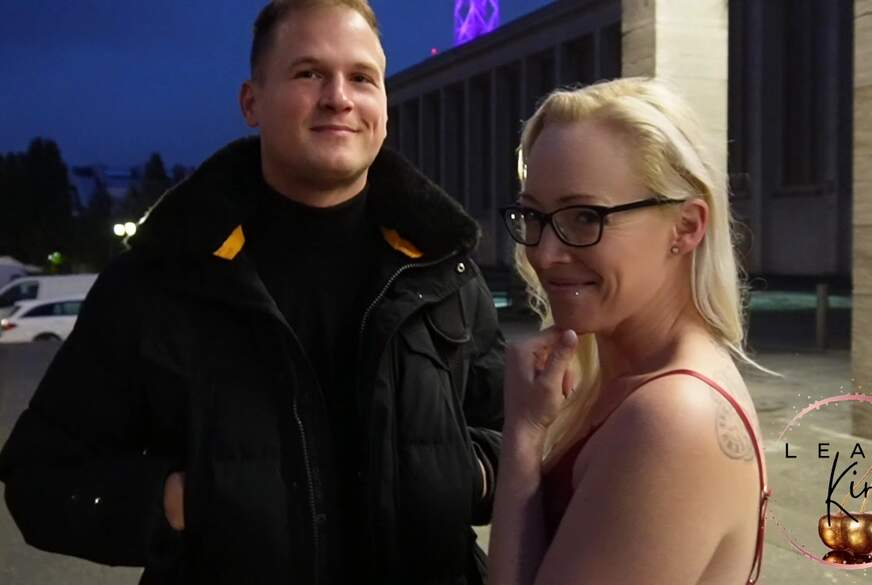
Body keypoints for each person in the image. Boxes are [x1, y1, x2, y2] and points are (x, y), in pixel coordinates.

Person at [0, 1, 505, 584]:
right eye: (309, 73)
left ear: (384, 110)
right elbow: (40, 477)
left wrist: (474, 474)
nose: (339, 97)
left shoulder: (444, 273)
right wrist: (178, 502)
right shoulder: (159, 280)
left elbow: (517, 435)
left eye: (362, 78)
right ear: (251, 103)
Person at [487, 78, 770, 585]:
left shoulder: (672, 418)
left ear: (687, 227)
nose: (544, 255)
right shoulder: (629, 382)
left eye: (584, 217)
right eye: (533, 215)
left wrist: (522, 439)